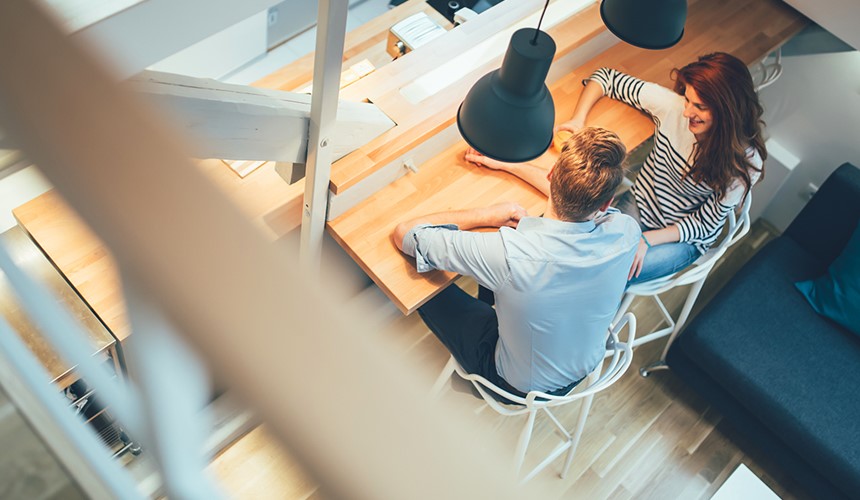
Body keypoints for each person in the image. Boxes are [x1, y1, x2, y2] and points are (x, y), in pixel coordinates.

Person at [392, 127, 640, 398]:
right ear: (607, 203)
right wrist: (505, 163)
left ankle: (473, 381)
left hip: (517, 387)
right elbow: (578, 200)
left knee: (423, 285)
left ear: (551, 174)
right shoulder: (626, 231)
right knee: (499, 278)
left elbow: (406, 235)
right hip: (582, 366)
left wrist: (487, 215)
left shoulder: (511, 255)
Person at [558, 52, 767, 283]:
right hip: (641, 204)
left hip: (682, 237)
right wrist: (578, 119)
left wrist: (647, 240)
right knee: (584, 254)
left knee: (611, 275)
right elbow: (606, 78)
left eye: (700, 106)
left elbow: (704, 225)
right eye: (687, 99)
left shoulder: (746, 163)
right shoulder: (674, 108)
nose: (687, 112)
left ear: (728, 112)